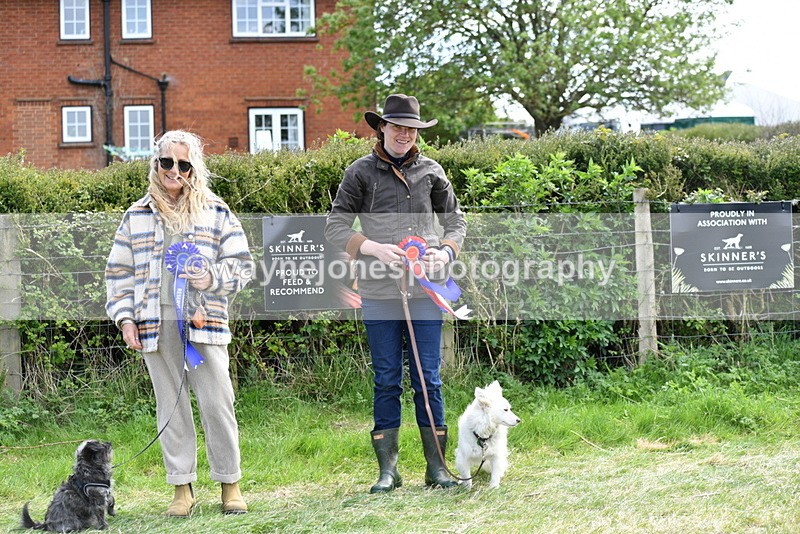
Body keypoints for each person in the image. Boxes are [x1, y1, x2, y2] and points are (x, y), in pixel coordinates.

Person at [105, 130, 253, 516]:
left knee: (218, 402)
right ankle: (181, 489)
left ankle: (230, 484)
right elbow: (118, 273)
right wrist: (125, 320)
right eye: (166, 162)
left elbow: (243, 265)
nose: (174, 170)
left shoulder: (216, 211)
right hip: (156, 326)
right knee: (169, 405)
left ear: (194, 168)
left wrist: (211, 278)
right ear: (155, 164)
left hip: (204, 323)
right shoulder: (135, 215)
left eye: (183, 164)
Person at [325, 94, 467, 492]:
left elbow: (455, 222)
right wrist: (369, 247)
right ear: (382, 128)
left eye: (411, 128)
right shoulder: (359, 172)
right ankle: (388, 471)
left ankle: (436, 468)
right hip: (377, 291)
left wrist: (444, 250)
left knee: (429, 379)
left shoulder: (432, 172)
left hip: (425, 291)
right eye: (397, 126)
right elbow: (334, 226)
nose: (404, 134)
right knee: (387, 379)